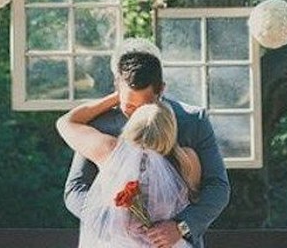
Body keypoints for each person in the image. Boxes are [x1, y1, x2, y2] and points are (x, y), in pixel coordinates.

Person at [61, 38, 230, 247]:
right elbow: (75, 188)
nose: (138, 115)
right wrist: (109, 219)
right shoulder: (100, 126)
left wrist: (181, 226)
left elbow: (218, 187)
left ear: (161, 90)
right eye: (129, 106)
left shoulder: (192, 120)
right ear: (117, 88)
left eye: (147, 105)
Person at [57, 95, 200, 247]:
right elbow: (196, 203)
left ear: (131, 126)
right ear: (170, 131)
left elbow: (67, 122)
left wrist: (119, 96)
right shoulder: (187, 160)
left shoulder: (110, 150)